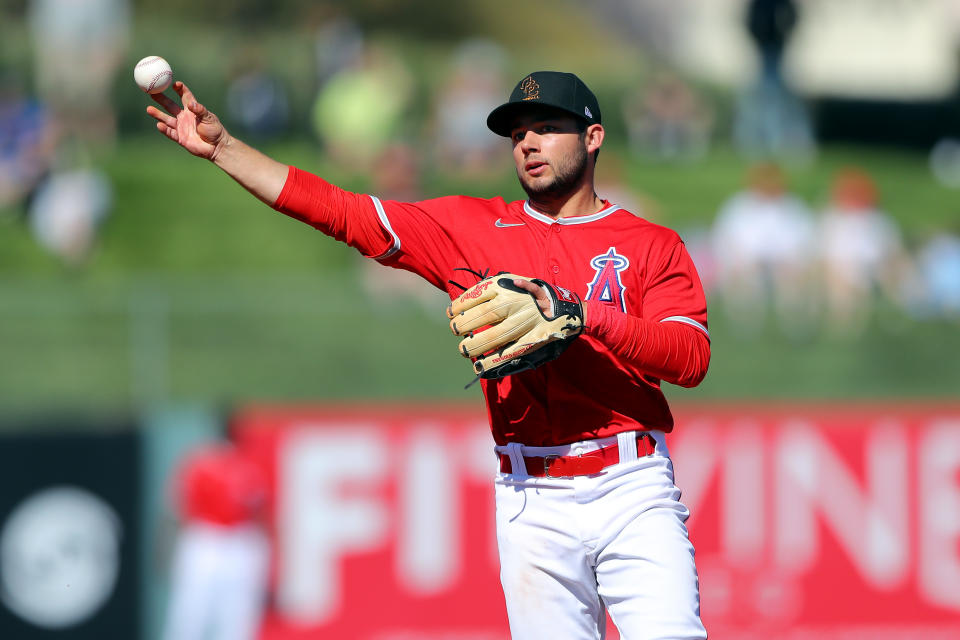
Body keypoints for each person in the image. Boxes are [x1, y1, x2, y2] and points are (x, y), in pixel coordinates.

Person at [145, 70, 710, 639]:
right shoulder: (469, 226)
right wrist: (225, 150)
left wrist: (585, 316)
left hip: (631, 487)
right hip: (529, 497)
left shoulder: (650, 243)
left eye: (547, 127)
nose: (529, 144)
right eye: (517, 134)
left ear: (593, 138)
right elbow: (341, 212)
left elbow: (690, 358)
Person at [161, 442, 270, 640]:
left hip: (239, 541)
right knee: (191, 613)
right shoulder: (198, 469)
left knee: (236, 617)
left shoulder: (247, 471)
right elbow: (177, 511)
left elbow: (259, 513)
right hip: (206, 539)